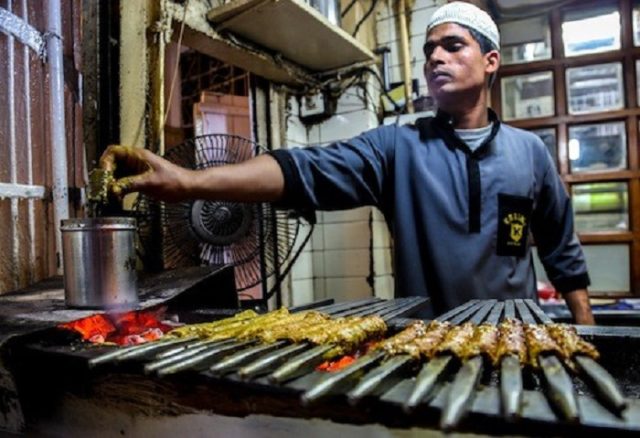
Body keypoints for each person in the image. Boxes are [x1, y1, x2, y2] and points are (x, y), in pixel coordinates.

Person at [100, 2, 595, 324]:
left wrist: (586, 331)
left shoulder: (528, 153)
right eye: (428, 50)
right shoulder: (397, 148)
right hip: (425, 344)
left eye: (452, 46)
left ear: (490, 62)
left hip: (518, 338)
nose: (435, 59)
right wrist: (190, 183)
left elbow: (561, 251)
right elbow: (302, 169)